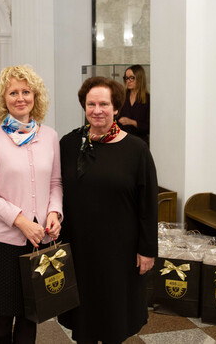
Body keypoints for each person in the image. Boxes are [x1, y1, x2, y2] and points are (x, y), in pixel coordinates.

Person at [58, 76, 158, 343]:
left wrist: (147, 249)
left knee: (115, 316)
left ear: (116, 107)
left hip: (120, 250)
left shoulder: (136, 149)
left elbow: (148, 203)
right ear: (84, 106)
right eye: (91, 104)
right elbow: (56, 187)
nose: (97, 110)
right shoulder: (69, 144)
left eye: (104, 104)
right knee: (84, 318)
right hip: (79, 247)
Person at [0, 65, 62, 344]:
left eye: (26, 91)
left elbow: (55, 183)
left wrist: (54, 212)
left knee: (30, 318)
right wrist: (22, 221)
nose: (20, 98)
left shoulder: (50, 136)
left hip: (40, 240)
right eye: (13, 92)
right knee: (2, 320)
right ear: (4, 98)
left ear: (36, 96)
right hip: (3, 243)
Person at [117, 64, 150, 145]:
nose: (128, 81)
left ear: (140, 78)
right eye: (126, 78)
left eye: (132, 78)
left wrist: (133, 122)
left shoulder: (148, 99)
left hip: (140, 143)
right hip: (122, 141)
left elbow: (149, 127)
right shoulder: (121, 96)